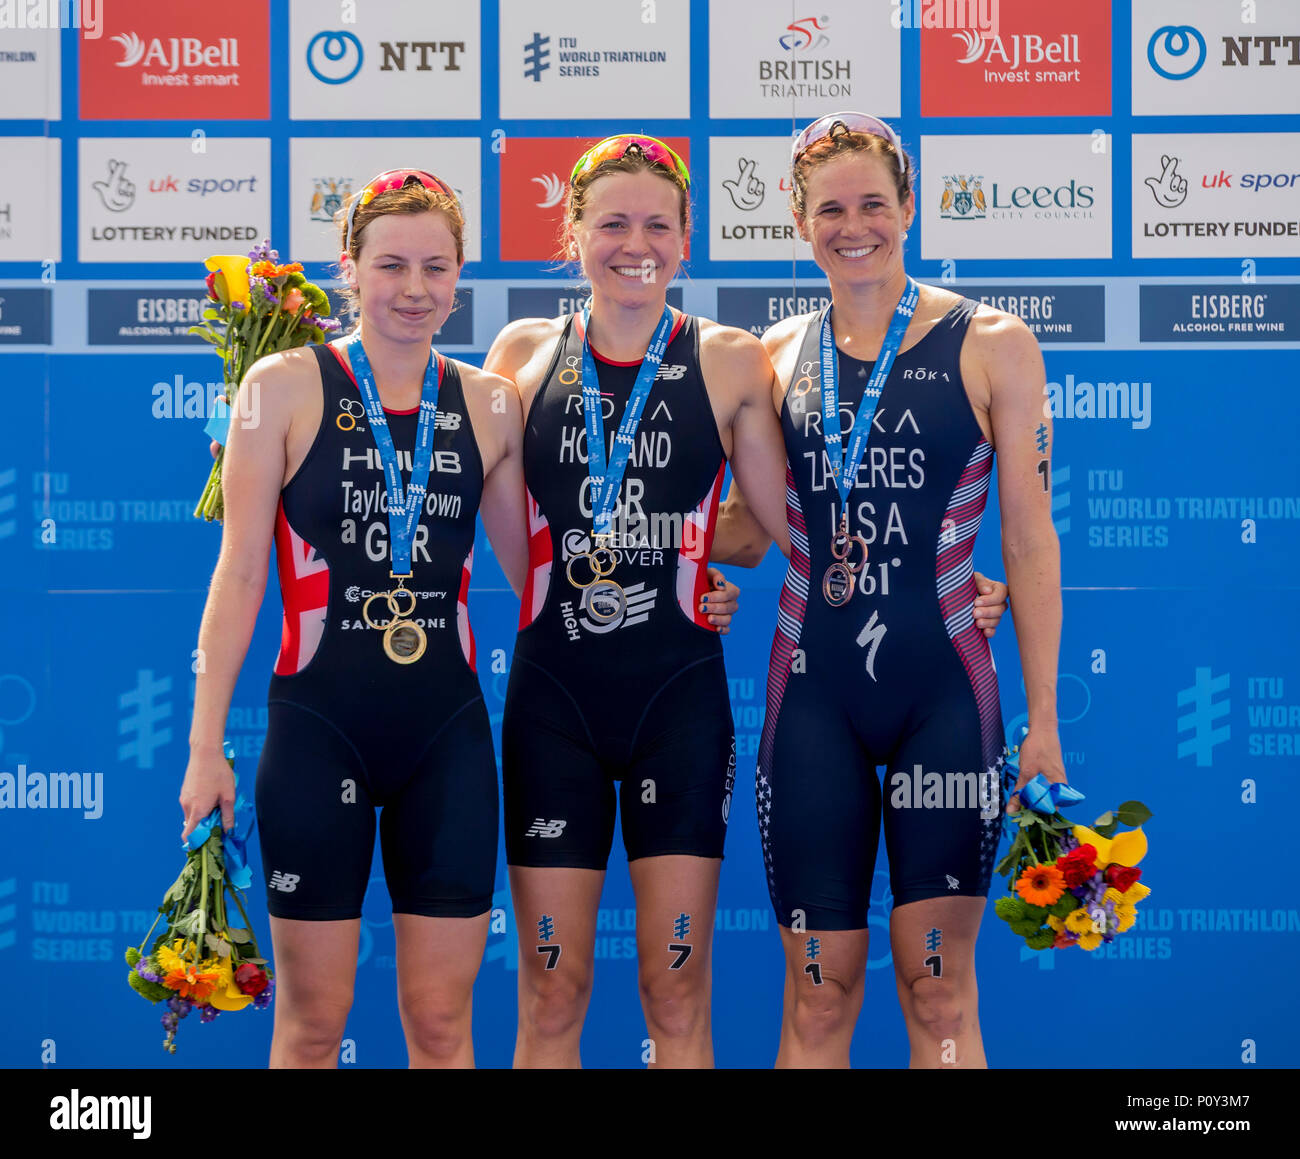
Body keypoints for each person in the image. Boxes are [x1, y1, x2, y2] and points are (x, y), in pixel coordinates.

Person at [712, 112, 1064, 1068]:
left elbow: (1030, 541)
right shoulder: (766, 356)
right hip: (812, 695)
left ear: (909, 209)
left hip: (945, 690)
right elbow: (742, 531)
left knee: (938, 987)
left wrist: (1045, 721)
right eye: (830, 208)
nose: (853, 223)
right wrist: (694, 572)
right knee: (820, 998)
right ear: (799, 221)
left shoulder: (993, 341)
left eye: (874, 203)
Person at [179, 170, 529, 1068]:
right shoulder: (280, 385)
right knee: (309, 1027)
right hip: (317, 729)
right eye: (392, 266)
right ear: (351, 269)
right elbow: (242, 571)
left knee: (444, 1028)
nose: (415, 289)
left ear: (460, 275)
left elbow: (536, 569)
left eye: (436, 267)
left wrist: (693, 587)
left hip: (444, 738)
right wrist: (203, 744)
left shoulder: (492, 403)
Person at [482, 135, 793, 1068]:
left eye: (658, 223)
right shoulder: (522, 354)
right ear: (573, 233)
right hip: (553, 702)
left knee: (675, 985)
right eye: (611, 221)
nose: (635, 242)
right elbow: (478, 512)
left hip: (679, 703)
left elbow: (784, 524)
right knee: (551, 988)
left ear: (688, 237)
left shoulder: (732, 360)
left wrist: (948, 578)